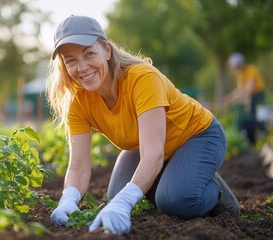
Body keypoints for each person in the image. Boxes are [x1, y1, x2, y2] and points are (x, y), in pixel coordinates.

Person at [46, 15, 240, 235]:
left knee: (174, 201)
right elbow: (79, 166)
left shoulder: (141, 79)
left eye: (89, 54)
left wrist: (127, 200)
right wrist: (68, 199)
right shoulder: (78, 101)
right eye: (71, 60)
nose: (82, 67)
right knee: (116, 195)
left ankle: (216, 191)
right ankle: (177, 175)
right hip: (148, 146)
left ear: (107, 51)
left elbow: (153, 153)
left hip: (197, 136)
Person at [224, 52, 265, 145]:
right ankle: (252, 140)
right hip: (251, 96)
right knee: (248, 116)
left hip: (257, 95)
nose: (235, 69)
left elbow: (248, 90)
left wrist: (236, 99)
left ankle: (259, 138)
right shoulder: (239, 74)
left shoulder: (251, 71)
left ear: (240, 63)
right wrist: (230, 97)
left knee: (255, 117)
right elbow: (240, 88)